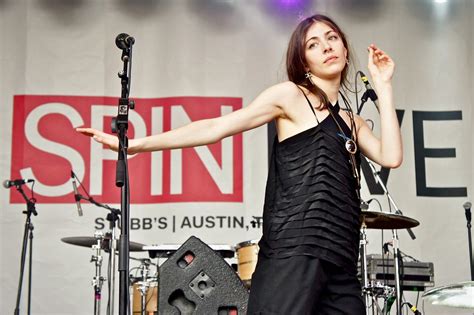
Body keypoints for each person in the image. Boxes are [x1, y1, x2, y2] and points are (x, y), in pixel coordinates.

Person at [77, 14, 402, 315]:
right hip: (295, 250)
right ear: (304, 62)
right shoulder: (291, 96)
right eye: (313, 44)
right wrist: (136, 145)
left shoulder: (353, 121)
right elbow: (215, 128)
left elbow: (391, 157)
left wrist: (383, 86)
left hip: (340, 257)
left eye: (332, 38)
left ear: (345, 46)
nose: (326, 47)